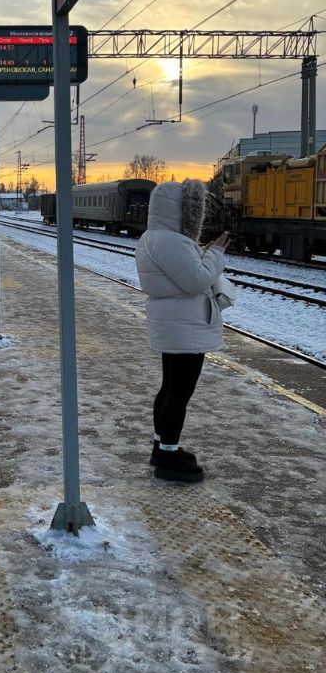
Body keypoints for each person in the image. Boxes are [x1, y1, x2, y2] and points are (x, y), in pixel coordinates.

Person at [135, 179, 228, 483]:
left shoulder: (154, 238)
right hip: (185, 327)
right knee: (179, 393)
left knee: (169, 389)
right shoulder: (171, 241)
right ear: (181, 210)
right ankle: (169, 459)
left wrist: (202, 253)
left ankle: (162, 448)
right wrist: (216, 253)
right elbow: (196, 281)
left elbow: (185, 274)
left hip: (175, 324)